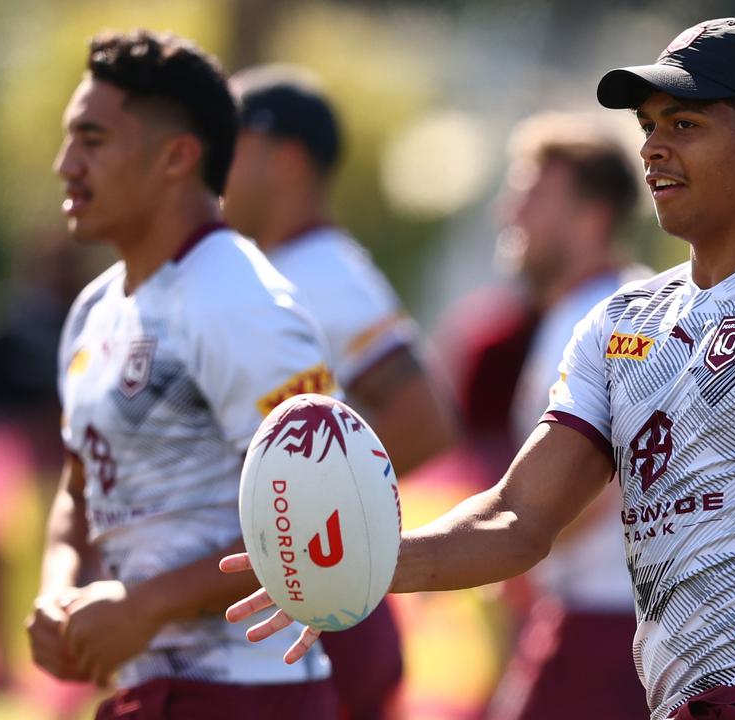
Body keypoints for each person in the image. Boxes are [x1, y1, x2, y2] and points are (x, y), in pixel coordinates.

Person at [225, 17, 735, 720]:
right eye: (648, 126)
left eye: (685, 125)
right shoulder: (621, 320)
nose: (653, 149)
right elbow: (519, 517)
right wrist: (355, 568)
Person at [27, 30, 338, 718]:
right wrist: (59, 590)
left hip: (252, 695)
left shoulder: (238, 300)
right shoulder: (94, 308)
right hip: (150, 690)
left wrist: (145, 605)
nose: (65, 164)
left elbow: (330, 522)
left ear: (177, 156)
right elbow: (81, 484)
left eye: (92, 140)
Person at [222, 66, 455, 719]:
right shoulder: (279, 268)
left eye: (229, 147)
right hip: (301, 618)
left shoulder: (319, 275)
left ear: (286, 160)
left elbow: (424, 418)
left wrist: (307, 524)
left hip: (324, 626)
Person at [483, 112, 649, 720]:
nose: (511, 214)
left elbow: (589, 485)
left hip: (602, 627)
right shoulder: (623, 304)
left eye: (533, 194)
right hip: (622, 624)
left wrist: (504, 556)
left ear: (592, 216)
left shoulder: (601, 316)